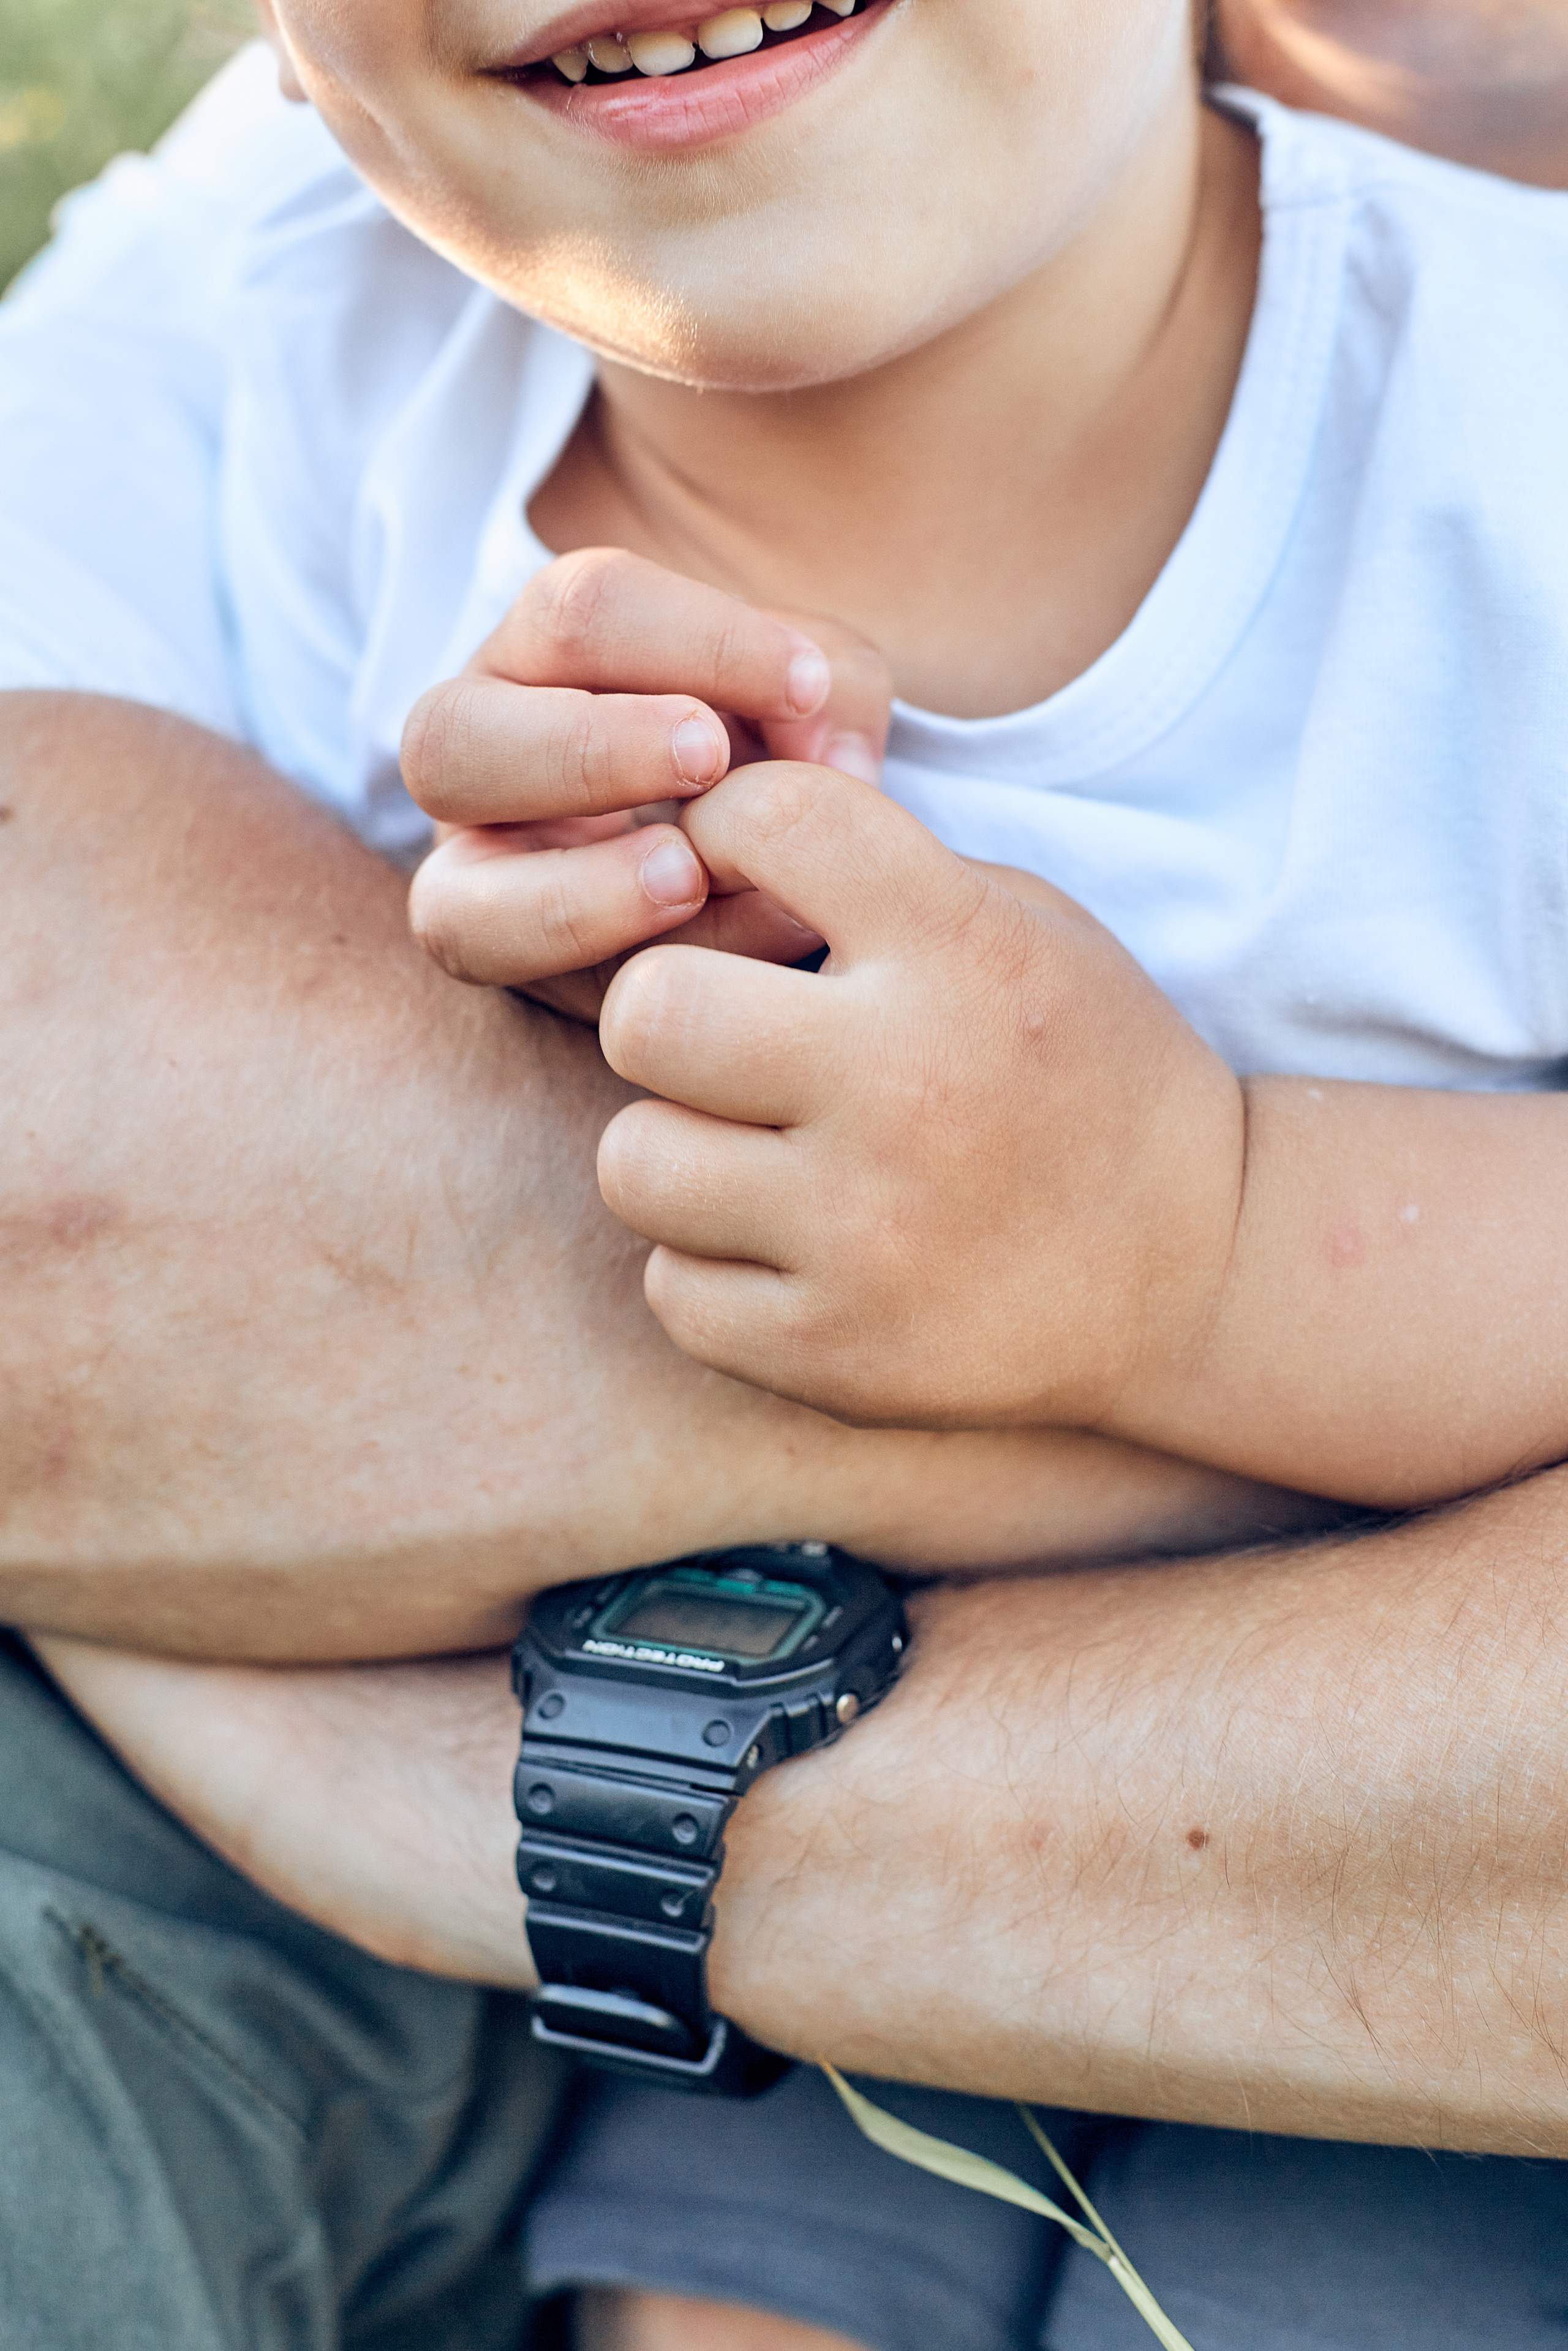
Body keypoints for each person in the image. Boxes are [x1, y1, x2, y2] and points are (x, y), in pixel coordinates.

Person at [2, 3, 1568, 2349]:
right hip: (693, 2021)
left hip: (1387, 1987)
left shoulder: (1500, 440)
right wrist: (550, 1027)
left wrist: (1197, 1239)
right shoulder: (302, 347)